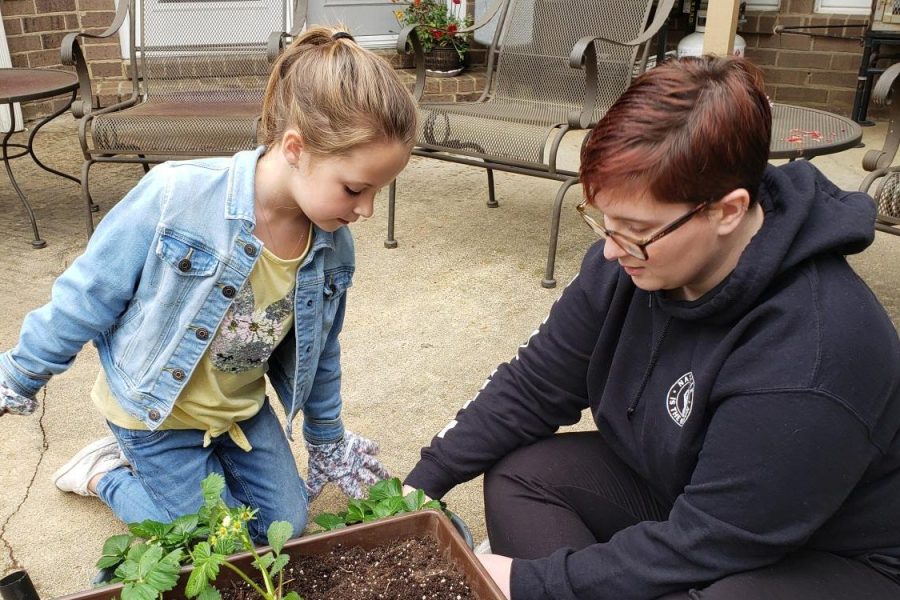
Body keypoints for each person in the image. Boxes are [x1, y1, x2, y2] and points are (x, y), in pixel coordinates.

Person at [404, 56, 900, 599]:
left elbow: (712, 540)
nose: (612, 250)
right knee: (524, 475)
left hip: (831, 552)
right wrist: (416, 489)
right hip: (689, 491)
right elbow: (533, 385)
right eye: (603, 220)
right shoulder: (630, 262)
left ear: (729, 210)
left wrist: (530, 581)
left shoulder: (815, 351)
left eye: (636, 230)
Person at [0, 27, 417, 542]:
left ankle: (183, 476)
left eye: (377, 190)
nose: (367, 209)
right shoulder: (178, 195)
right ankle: (104, 474)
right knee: (214, 543)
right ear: (295, 147)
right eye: (355, 188)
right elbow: (89, 293)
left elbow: (322, 351)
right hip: (155, 413)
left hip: (241, 412)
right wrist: (20, 373)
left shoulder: (332, 246)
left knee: (286, 528)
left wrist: (326, 438)